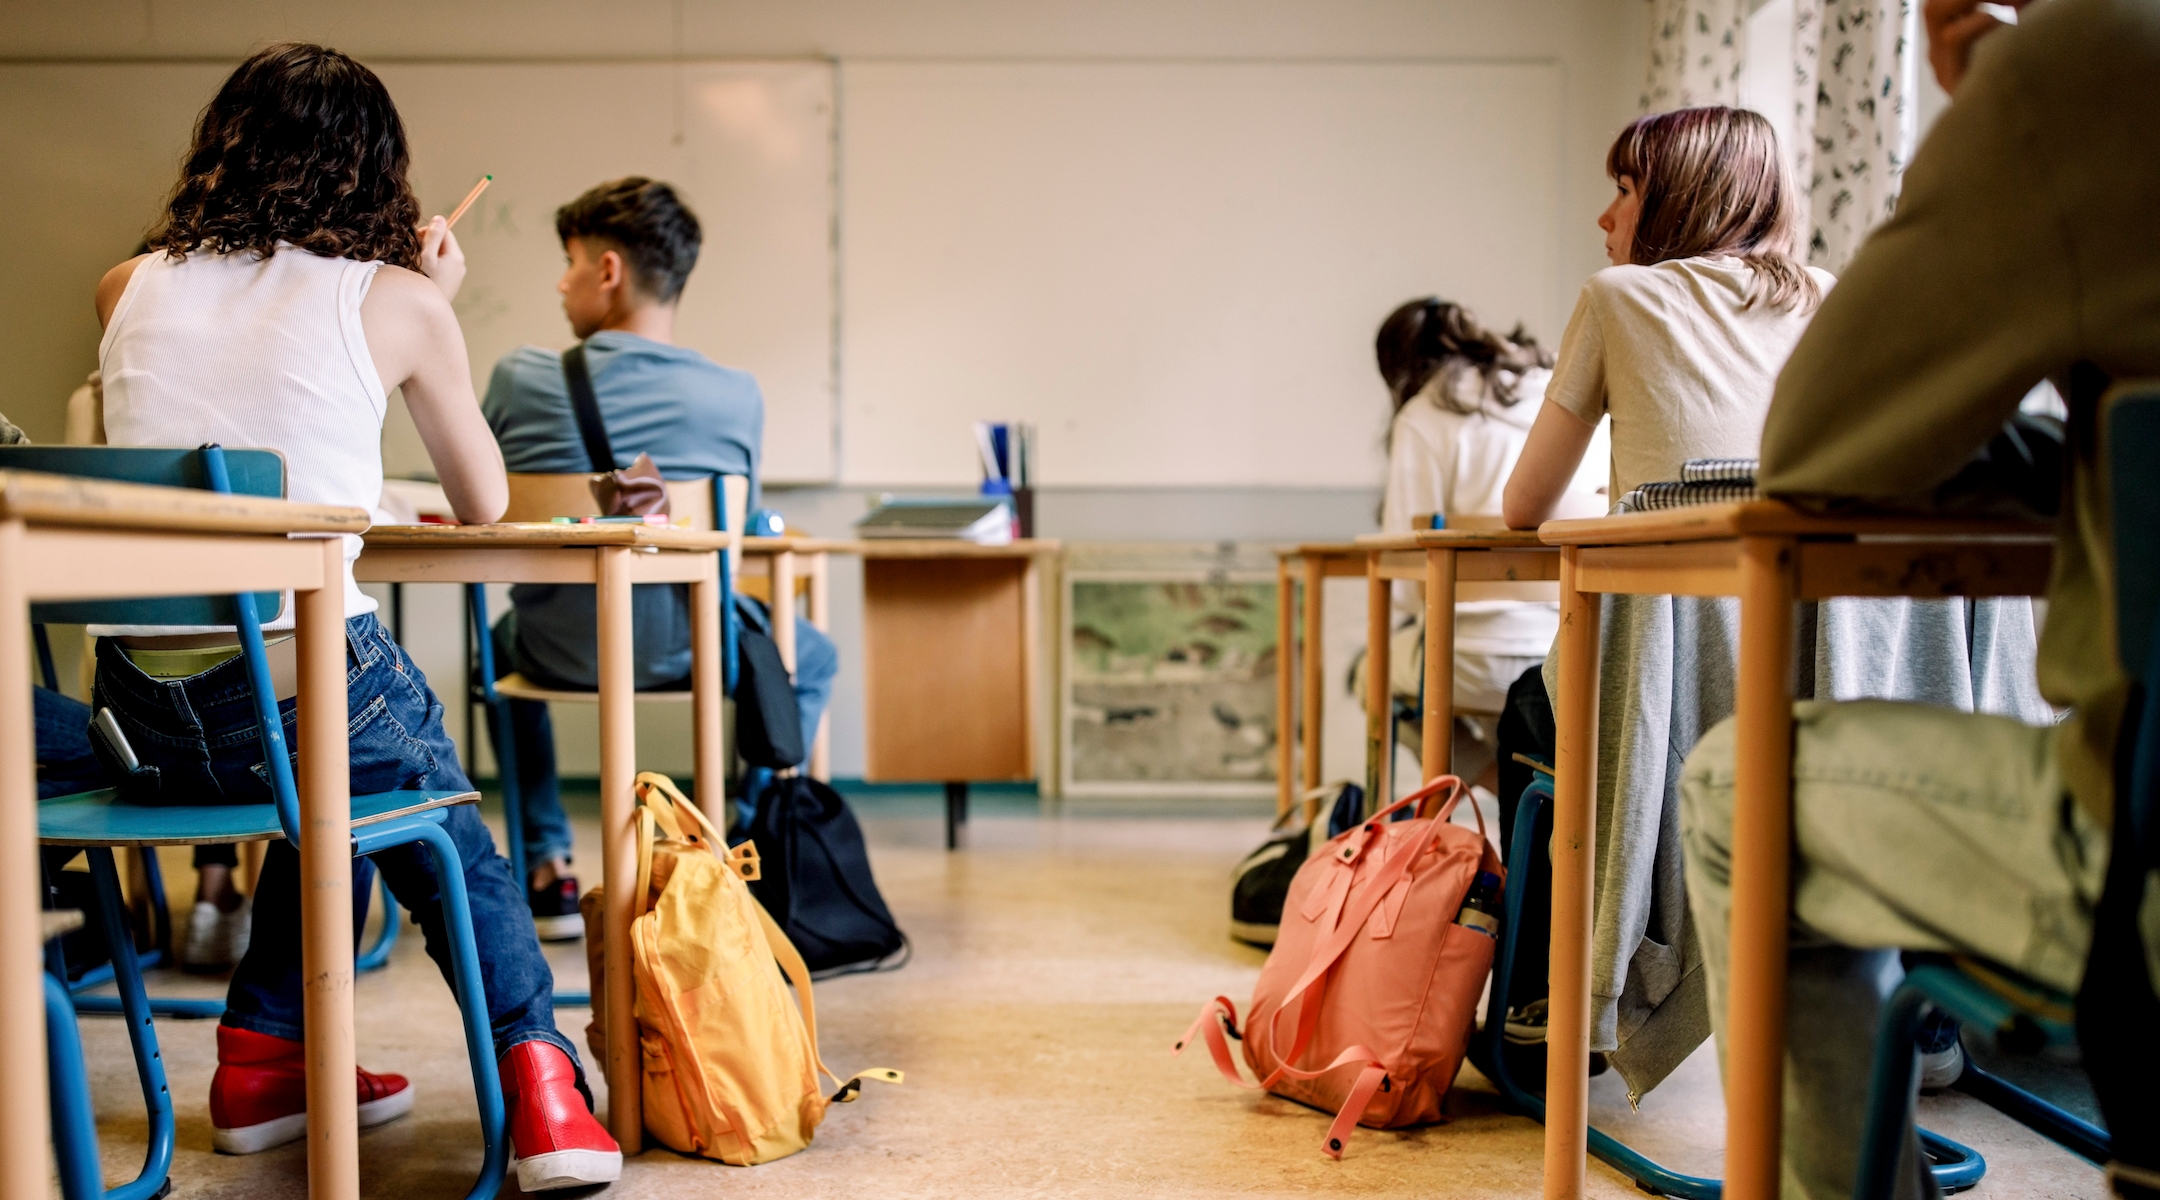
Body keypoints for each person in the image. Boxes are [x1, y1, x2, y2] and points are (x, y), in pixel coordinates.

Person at [91, 43, 618, 1190]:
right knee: (418, 796)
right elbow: (482, 504)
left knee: (335, 780)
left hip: (136, 720)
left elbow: (182, 455)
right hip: (289, 692)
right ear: (375, 172)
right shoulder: (399, 299)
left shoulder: (125, 286)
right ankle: (542, 1077)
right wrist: (436, 297)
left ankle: (263, 1061)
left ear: (221, 150)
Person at [1679, 0, 2160, 1194]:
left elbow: (1814, 445)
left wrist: (1996, 89)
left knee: (1734, 791)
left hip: (2139, 872)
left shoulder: (2088, 67)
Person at [1497, 105, 2048, 1099]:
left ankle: (1559, 1004)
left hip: (1680, 691)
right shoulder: (1833, 299)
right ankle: (1898, 989)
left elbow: (1523, 505)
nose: (1603, 214)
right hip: (1839, 683)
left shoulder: (1618, 297)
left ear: (1681, 196)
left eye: (1623, 187)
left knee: (1529, 711)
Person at [480, 176, 838, 939]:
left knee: (492, 649)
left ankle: (545, 865)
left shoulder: (520, 379)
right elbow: (732, 532)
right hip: (691, 649)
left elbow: (480, 500)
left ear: (607, 270)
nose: (561, 281)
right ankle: (726, 845)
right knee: (812, 652)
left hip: (555, 649)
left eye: (570, 262)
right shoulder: (736, 395)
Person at [1369, 298, 1604, 786]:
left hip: (1464, 656)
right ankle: (1533, 795)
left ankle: (1493, 784)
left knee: (1369, 674)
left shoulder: (1424, 412)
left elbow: (1409, 579)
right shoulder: (1557, 390)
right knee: (1521, 713)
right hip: (1566, 648)